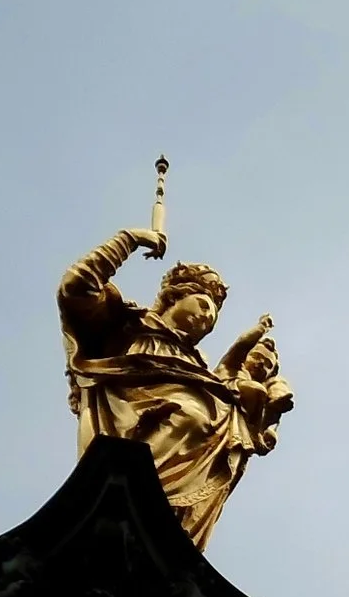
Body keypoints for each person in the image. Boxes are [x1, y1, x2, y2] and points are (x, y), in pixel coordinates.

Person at [57, 225, 293, 549]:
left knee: (222, 422)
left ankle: (170, 527)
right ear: (174, 296)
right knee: (192, 413)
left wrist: (261, 412)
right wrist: (129, 239)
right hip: (125, 441)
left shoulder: (199, 370)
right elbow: (76, 288)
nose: (208, 317)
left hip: (179, 490)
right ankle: (134, 500)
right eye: (203, 303)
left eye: (214, 314)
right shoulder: (128, 326)